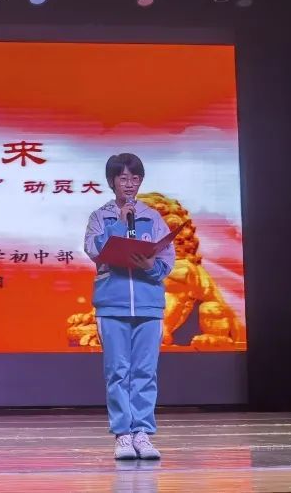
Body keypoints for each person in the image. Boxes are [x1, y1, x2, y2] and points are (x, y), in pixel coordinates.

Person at [84, 153, 175, 461]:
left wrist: (150, 266)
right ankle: (123, 434)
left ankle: (142, 434)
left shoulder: (153, 218)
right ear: (112, 182)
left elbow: (167, 262)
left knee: (145, 372)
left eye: (135, 179)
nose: (129, 184)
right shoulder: (100, 217)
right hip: (112, 305)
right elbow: (94, 250)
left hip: (149, 306)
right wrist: (120, 224)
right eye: (123, 178)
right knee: (117, 372)